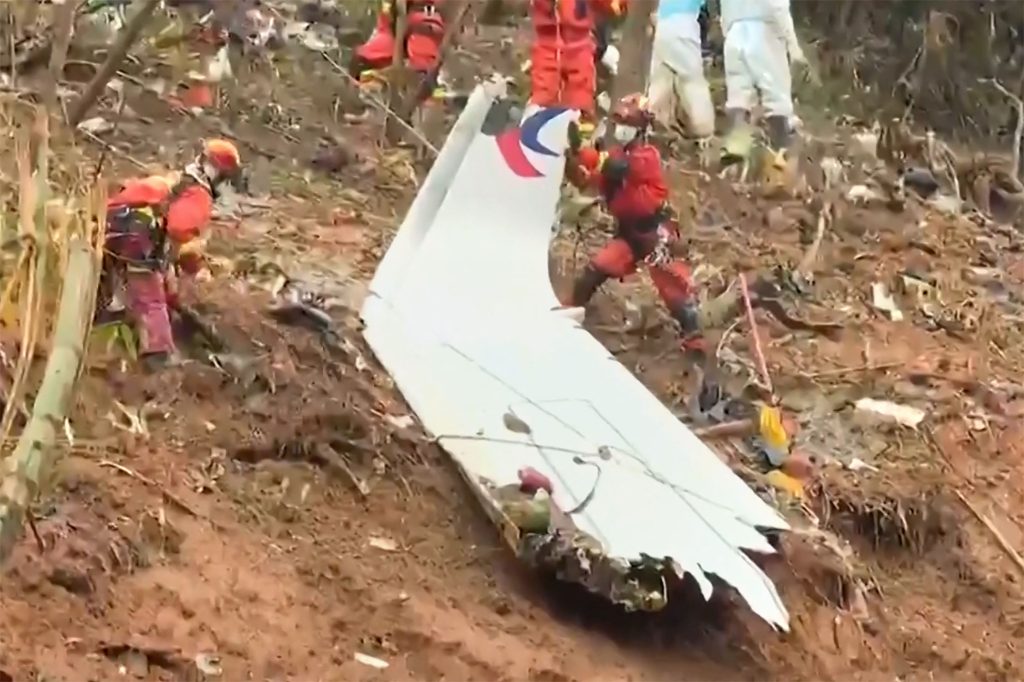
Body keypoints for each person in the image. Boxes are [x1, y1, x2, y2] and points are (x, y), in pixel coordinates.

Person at [561, 94, 705, 355]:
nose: (620, 128)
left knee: (675, 292)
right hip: (628, 233)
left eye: (626, 122)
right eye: (618, 122)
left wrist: (586, 153)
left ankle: (695, 341)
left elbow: (617, 168)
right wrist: (573, 164)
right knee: (597, 268)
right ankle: (569, 309)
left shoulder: (646, 156)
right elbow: (589, 181)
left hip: (654, 233)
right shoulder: (615, 154)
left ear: (641, 128)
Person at [102, 139, 243, 369]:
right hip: (138, 234)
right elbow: (178, 230)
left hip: (113, 224)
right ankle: (159, 355)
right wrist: (189, 264)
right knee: (151, 296)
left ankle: (105, 318)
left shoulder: (174, 181)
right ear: (218, 174)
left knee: (119, 283)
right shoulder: (198, 195)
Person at [719, 0, 806, 161]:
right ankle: (781, 152)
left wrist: (728, 33)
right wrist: (792, 44)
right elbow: (777, 6)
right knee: (776, 92)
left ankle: (737, 148)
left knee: (739, 91)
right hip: (764, 31)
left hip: (734, 32)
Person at [528, 0, 625, 136]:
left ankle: (579, 140)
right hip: (548, 50)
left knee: (579, 106)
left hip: (579, 51)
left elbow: (611, 6)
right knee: (543, 102)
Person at [350, 0, 446, 100]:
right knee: (360, 63)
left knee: (422, 77)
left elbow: (401, 15)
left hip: (418, 27)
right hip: (398, 29)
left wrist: (397, 64)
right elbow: (388, 18)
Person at [647, 0, 714, 139]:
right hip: (684, 24)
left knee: (660, 79)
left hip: (659, 24)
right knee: (691, 79)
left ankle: (654, 120)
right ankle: (702, 126)